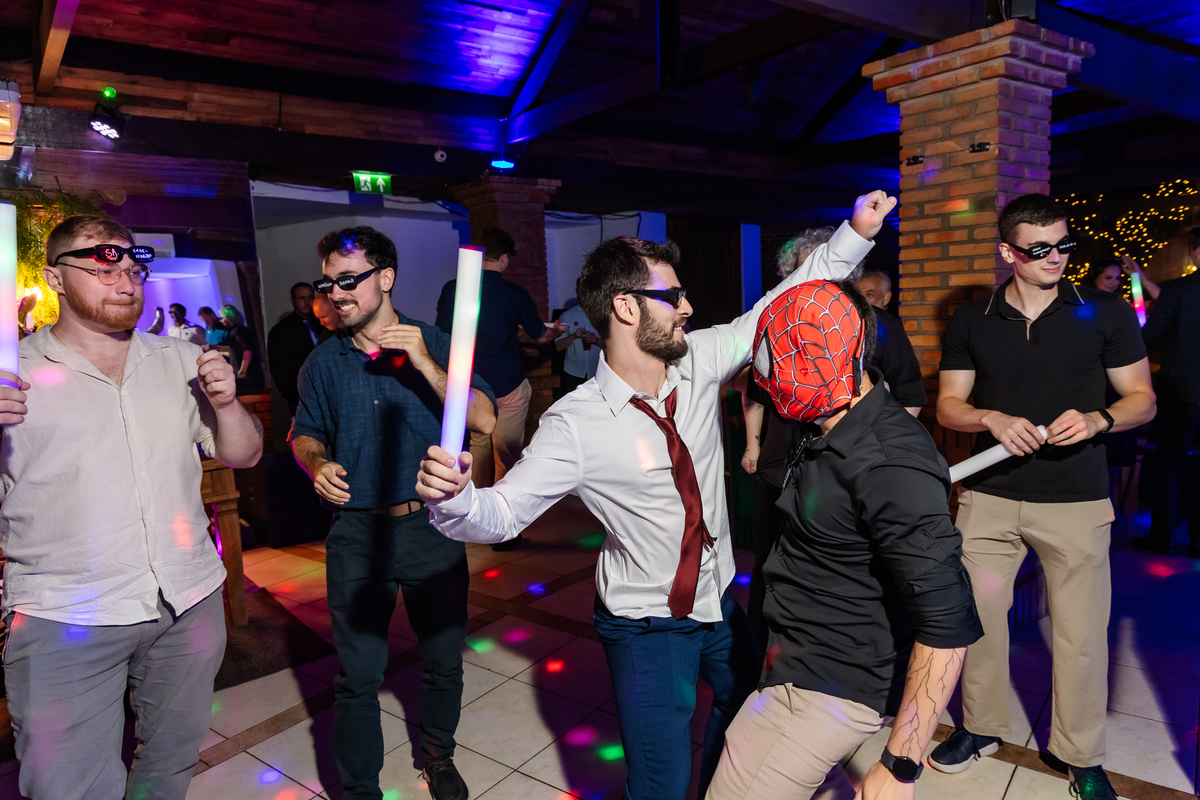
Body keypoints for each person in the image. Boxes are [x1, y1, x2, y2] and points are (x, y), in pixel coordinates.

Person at [417, 190, 896, 800]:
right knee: (659, 781)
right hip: (647, 624)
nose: (688, 308)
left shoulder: (699, 359)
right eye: (673, 297)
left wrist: (854, 233)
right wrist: (455, 499)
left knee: (746, 714)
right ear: (625, 306)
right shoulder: (575, 423)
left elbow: (781, 304)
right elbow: (503, 513)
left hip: (716, 599)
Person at [0, 215, 263, 800]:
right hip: (66, 613)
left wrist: (227, 404)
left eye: (132, 267)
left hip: (187, 599)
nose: (124, 280)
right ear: (55, 278)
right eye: (102, 266)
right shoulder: (12, 372)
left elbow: (243, 455)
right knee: (66, 787)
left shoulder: (180, 359)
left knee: (168, 767)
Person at [706, 280, 982, 800]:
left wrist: (900, 764)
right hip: (795, 659)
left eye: (803, 356)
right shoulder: (823, 423)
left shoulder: (890, 464)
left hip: (825, 684)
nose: (781, 374)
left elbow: (947, 622)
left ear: (848, 354)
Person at [932, 194, 1155, 800]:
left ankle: (1081, 756)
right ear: (1008, 252)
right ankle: (980, 727)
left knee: (1081, 634)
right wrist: (990, 419)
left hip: (1077, 499)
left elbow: (1142, 399)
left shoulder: (1104, 311)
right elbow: (948, 405)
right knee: (979, 620)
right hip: (989, 496)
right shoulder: (973, 319)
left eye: (1064, 245)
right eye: (1039, 249)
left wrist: (1100, 419)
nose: (1056, 258)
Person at [290, 226, 497, 800]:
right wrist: (316, 462)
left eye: (348, 281)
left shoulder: (438, 343)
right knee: (357, 674)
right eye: (329, 284)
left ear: (386, 277)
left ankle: (437, 756)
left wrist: (424, 362)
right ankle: (360, 790)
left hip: (431, 525)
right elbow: (304, 432)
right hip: (358, 533)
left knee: (443, 660)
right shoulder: (322, 364)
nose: (336, 294)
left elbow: (483, 419)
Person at [435, 228, 567, 489]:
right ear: (505, 257)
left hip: (471, 385)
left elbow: (443, 334)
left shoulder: (453, 289)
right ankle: (504, 510)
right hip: (508, 385)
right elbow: (541, 336)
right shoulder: (514, 293)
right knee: (507, 454)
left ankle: (475, 506)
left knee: (478, 448)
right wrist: (557, 331)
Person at [1134, 228, 1200, 556]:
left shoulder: (1179, 290)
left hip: (1182, 393)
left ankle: (1163, 536)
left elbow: (1148, 337)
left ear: (1195, 251)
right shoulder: (1178, 291)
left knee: (1166, 464)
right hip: (1186, 393)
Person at [857, 269, 927, 415]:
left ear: (886, 298)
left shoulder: (887, 326)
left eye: (870, 294)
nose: (863, 301)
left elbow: (909, 394)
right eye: (858, 295)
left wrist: (896, 429)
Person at [269, 281, 324, 414]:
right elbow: (279, 367)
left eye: (310, 297)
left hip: (327, 388)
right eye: (301, 298)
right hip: (300, 394)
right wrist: (292, 395)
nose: (307, 302)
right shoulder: (281, 331)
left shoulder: (323, 323)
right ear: (293, 301)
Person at [553, 302, 602, 399]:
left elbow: (612, 345)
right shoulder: (567, 315)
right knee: (572, 405)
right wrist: (573, 336)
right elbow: (558, 346)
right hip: (573, 372)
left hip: (597, 372)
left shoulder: (601, 314)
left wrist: (596, 340)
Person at [219, 303, 265, 392]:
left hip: (248, 376)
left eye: (222, 318)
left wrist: (243, 371)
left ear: (228, 319)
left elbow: (247, 350)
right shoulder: (235, 330)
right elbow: (236, 351)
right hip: (244, 375)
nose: (220, 321)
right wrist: (220, 352)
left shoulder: (238, 331)